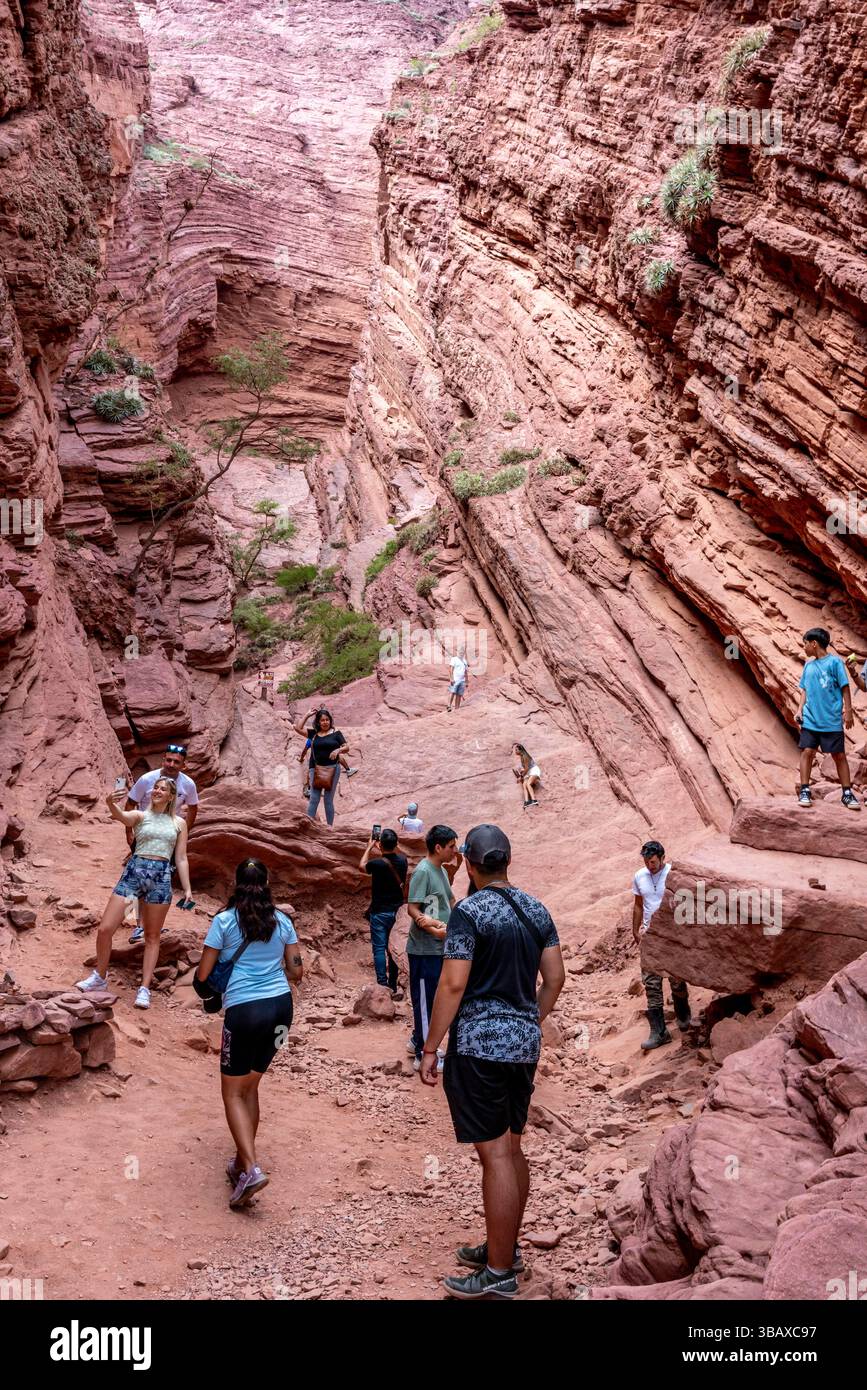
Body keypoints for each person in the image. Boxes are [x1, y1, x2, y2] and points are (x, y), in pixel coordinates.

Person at [420, 824, 564, 1300]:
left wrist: (430, 1046)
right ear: (507, 861)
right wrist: (529, 1018)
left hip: (479, 1046)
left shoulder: (469, 912)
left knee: (495, 1155)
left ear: (472, 864)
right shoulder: (537, 908)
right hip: (523, 1046)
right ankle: (506, 1249)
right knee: (512, 1148)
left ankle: (499, 1272)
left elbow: (453, 985)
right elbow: (555, 978)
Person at [197, 859, 303, 1209]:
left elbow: (203, 974)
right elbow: (296, 972)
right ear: (268, 882)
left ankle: (252, 1168)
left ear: (236, 882)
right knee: (251, 1086)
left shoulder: (224, 922)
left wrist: (209, 992)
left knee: (232, 1093)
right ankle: (243, 1163)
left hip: (244, 1012)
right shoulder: (283, 922)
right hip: (281, 1013)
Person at [76, 778, 193, 1010]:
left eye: (163, 789)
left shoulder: (179, 822)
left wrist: (188, 889)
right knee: (106, 928)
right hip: (133, 875)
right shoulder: (141, 815)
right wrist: (111, 804)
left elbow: (180, 857)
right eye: (155, 788)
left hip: (160, 878)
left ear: (171, 796)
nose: (157, 791)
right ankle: (99, 976)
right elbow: (123, 817)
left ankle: (144, 988)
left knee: (152, 936)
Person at [124, 742, 199, 943]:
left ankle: (147, 923)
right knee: (135, 876)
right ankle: (134, 923)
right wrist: (128, 832)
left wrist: (184, 831)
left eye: (176, 762)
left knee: (161, 878)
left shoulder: (188, 784)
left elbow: (193, 808)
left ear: (184, 765)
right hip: (145, 832)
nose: (171, 764)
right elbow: (130, 803)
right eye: (168, 760)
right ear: (163, 760)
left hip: (168, 836)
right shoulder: (147, 779)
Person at [406, 824, 458, 1070]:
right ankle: (422, 1053)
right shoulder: (423, 872)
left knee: (433, 997)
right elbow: (413, 908)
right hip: (424, 947)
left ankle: (418, 1039)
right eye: (451, 846)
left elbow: (449, 900)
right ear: (438, 847)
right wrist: (431, 927)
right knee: (426, 1000)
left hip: (439, 945)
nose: (454, 850)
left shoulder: (441, 871)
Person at [632, 839, 692, 1050]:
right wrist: (635, 929)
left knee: (676, 978)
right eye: (647, 861)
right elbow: (638, 905)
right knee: (651, 983)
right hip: (650, 936)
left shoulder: (673, 874)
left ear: (663, 858)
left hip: (671, 935)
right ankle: (659, 1032)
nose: (650, 865)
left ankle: (683, 1015)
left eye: (654, 861)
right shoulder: (640, 876)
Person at [796, 628, 859, 809]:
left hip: (831, 719)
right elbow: (804, 690)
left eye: (805, 644)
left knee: (839, 755)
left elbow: (845, 687)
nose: (804, 648)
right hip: (811, 719)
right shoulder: (808, 665)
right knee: (807, 752)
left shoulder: (835, 663)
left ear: (814, 643)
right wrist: (799, 710)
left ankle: (847, 793)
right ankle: (805, 790)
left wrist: (848, 711)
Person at [359, 829, 407, 999]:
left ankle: (382, 984)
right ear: (396, 844)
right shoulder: (403, 861)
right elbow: (398, 856)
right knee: (391, 948)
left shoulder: (377, 863)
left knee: (379, 948)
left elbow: (362, 865)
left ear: (380, 844)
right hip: (396, 912)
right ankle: (393, 984)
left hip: (379, 911)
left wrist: (369, 847)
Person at [292, 707, 357, 826]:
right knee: (314, 798)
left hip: (333, 769)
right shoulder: (314, 734)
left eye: (327, 720)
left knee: (328, 799)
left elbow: (346, 747)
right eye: (322, 720)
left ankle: (329, 828)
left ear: (330, 721)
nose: (325, 722)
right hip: (315, 768)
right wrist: (307, 715)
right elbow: (298, 728)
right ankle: (308, 825)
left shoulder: (336, 734)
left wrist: (338, 750)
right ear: (318, 722)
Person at [512, 744, 542, 809]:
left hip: (534, 771)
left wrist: (521, 776)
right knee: (524, 784)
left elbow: (527, 768)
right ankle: (526, 801)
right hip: (529, 772)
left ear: (520, 750)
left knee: (528, 784)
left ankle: (534, 800)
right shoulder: (522, 757)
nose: (515, 751)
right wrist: (521, 772)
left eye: (516, 750)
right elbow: (526, 768)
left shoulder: (525, 756)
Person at [446, 647, 470, 713]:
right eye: (460, 651)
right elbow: (451, 670)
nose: (461, 653)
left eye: (463, 652)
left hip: (462, 680)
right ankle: (449, 706)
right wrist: (451, 678)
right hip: (455, 679)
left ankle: (457, 708)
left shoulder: (464, 661)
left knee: (459, 694)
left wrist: (467, 681)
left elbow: (465, 672)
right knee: (452, 692)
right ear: (458, 652)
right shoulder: (454, 659)